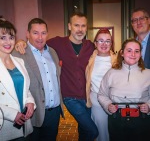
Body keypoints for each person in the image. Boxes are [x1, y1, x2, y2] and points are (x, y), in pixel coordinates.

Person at [15, 12, 99, 141]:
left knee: (84, 129)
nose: (80, 29)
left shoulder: (89, 46)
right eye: (76, 25)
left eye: (83, 26)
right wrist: (21, 42)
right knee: (92, 130)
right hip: (70, 97)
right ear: (70, 26)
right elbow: (35, 43)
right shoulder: (57, 43)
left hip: (87, 97)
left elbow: (104, 53)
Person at [13, 18, 64, 141]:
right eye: (35, 33)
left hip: (54, 112)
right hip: (33, 113)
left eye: (43, 33)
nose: (40, 37)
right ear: (27, 34)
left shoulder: (52, 52)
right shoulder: (18, 53)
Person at [98, 38, 150, 141]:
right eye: (129, 50)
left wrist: (148, 106)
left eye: (137, 51)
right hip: (116, 120)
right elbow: (101, 94)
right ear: (122, 53)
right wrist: (108, 105)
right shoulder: (111, 73)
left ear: (140, 54)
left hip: (141, 120)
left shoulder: (148, 73)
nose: (133, 54)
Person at [0, 20, 36, 141]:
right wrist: (12, 114)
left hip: (24, 123)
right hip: (5, 125)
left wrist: (30, 102)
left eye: (11, 37)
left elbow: (26, 89)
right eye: (2, 37)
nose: (8, 42)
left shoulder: (19, 61)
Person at [85, 28, 117, 141]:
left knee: (115, 131)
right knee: (101, 134)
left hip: (114, 102)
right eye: (101, 40)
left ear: (111, 44)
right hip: (97, 102)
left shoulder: (117, 61)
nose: (104, 44)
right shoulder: (89, 59)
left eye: (108, 41)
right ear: (95, 43)